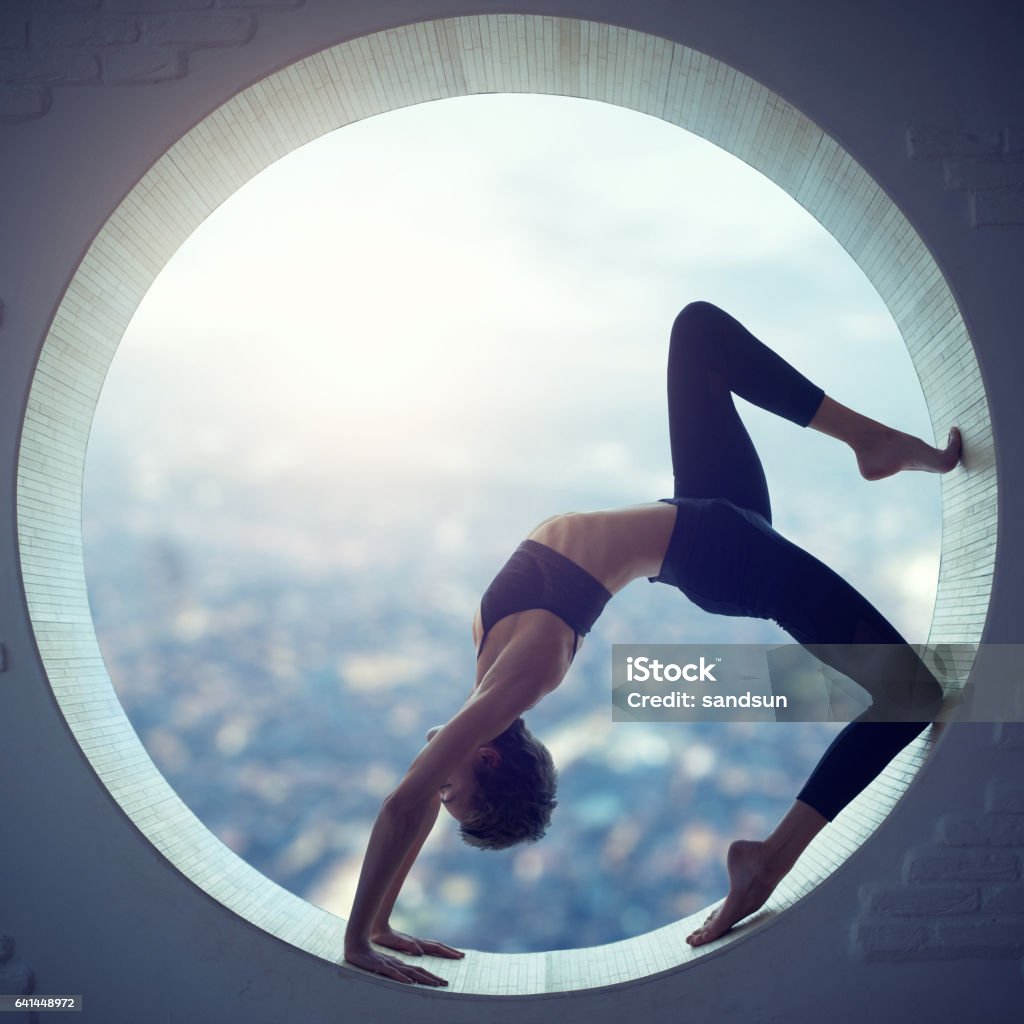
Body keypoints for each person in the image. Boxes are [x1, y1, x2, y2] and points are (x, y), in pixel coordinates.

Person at [342, 300, 962, 986]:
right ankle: (771, 858)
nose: (434, 787)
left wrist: (374, 924)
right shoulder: (526, 678)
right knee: (911, 694)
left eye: (442, 796)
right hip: (725, 557)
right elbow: (406, 804)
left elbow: (414, 806)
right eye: (449, 793)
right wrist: (359, 939)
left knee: (699, 332)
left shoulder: (491, 671)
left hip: (705, 521)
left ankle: (868, 442)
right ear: (484, 758)